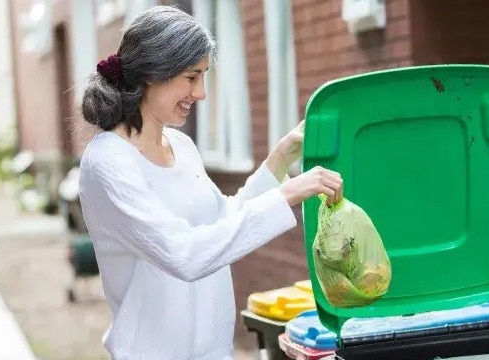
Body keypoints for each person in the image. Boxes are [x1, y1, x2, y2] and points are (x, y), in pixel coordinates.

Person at [78, 5, 343, 360]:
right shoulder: (109, 163)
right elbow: (184, 252)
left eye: (203, 76)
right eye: (191, 77)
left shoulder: (182, 146)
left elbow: (222, 221)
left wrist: (279, 159)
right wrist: (287, 195)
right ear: (151, 74)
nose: (201, 93)